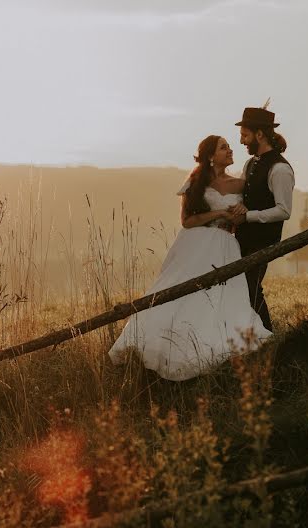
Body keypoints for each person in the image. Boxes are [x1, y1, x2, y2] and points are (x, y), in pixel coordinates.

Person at [108, 135, 272, 380]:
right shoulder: (194, 183)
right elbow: (187, 221)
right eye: (223, 147)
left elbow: (239, 220)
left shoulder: (240, 185)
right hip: (195, 244)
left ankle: (213, 346)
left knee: (223, 297)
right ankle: (163, 344)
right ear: (210, 156)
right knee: (179, 294)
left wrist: (241, 212)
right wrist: (218, 212)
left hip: (226, 244)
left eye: (229, 147)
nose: (230, 150)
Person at [229, 105, 294, 331]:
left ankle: (268, 335)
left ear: (260, 134)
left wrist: (249, 216)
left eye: (244, 135)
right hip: (243, 237)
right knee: (237, 286)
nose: (241, 142)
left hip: (264, 239)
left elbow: (284, 210)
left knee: (250, 286)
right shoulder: (250, 164)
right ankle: (246, 335)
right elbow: (245, 196)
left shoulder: (280, 169)